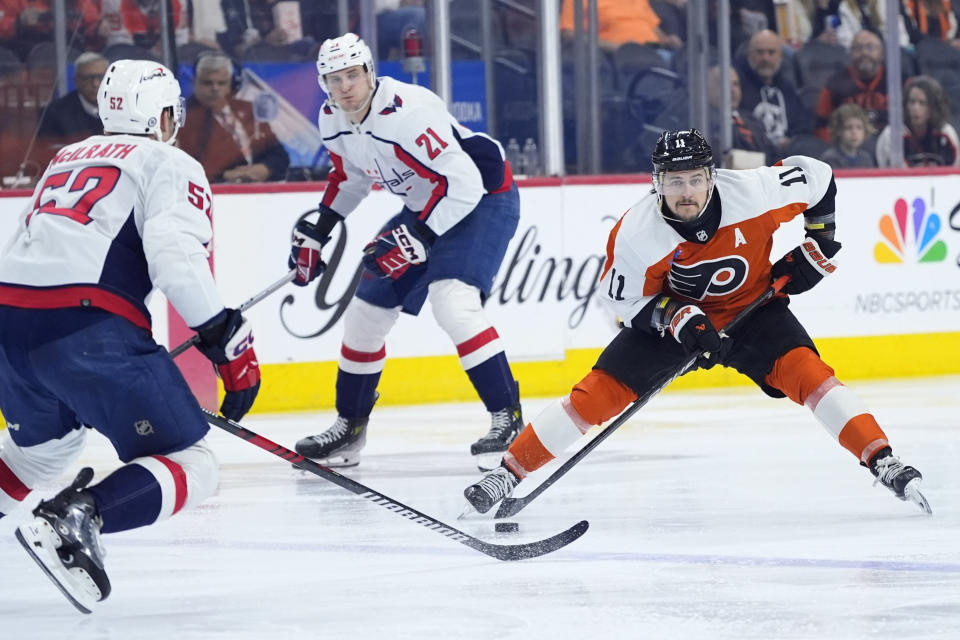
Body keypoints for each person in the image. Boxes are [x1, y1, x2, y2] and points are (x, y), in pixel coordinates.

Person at [462, 128, 931, 517]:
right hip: (674, 325)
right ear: (656, 183)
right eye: (674, 181)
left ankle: (883, 461)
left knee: (811, 375)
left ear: (711, 177)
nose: (686, 192)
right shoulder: (637, 233)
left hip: (754, 313)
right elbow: (623, 301)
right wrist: (678, 316)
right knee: (595, 394)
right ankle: (508, 472)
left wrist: (818, 243)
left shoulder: (756, 192)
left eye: (694, 179)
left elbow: (820, 178)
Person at [0, 59, 261, 613]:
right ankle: (80, 518)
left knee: (42, 454)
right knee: (193, 462)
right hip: (89, 327)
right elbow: (177, 262)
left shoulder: (64, 158)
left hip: (9, 323)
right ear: (164, 114)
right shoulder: (170, 161)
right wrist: (231, 348)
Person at [289, 33, 523, 471]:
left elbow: (466, 184)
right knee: (365, 314)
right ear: (323, 84)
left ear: (370, 72)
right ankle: (349, 428)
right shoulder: (330, 117)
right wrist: (320, 227)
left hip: (484, 198)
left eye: (353, 75)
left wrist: (418, 237)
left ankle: (507, 421)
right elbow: (350, 179)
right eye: (334, 79)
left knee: (452, 300)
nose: (345, 87)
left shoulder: (408, 113)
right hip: (428, 205)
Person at [177, 51, 290, 183]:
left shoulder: (248, 111)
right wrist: (224, 176)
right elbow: (186, 168)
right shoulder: (185, 120)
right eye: (207, 83)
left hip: (259, 192)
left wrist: (265, 168)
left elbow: (279, 155)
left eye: (221, 83)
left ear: (232, 85)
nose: (215, 88)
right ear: (195, 84)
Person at [736, 29, 813, 151]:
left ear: (781, 56)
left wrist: (791, 143)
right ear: (749, 54)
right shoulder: (737, 87)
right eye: (760, 52)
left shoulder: (788, 90)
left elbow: (803, 128)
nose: (765, 58)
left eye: (771, 52)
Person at [34, 52, 108, 166]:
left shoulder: (121, 108)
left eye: (101, 77)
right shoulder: (54, 112)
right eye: (88, 78)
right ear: (76, 80)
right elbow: (45, 153)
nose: (95, 83)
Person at [814, 29, 889, 141]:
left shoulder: (897, 81)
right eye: (858, 48)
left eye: (870, 47)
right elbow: (821, 127)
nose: (864, 53)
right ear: (850, 53)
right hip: (849, 149)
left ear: (882, 52)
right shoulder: (834, 85)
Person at [875, 74, 960, 167]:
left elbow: (954, 171)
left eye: (922, 103)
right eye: (912, 102)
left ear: (933, 107)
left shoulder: (946, 133)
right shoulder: (892, 135)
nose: (915, 108)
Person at [820, 103, 877, 168]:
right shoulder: (830, 159)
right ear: (838, 130)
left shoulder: (866, 159)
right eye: (848, 127)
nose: (854, 132)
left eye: (859, 127)